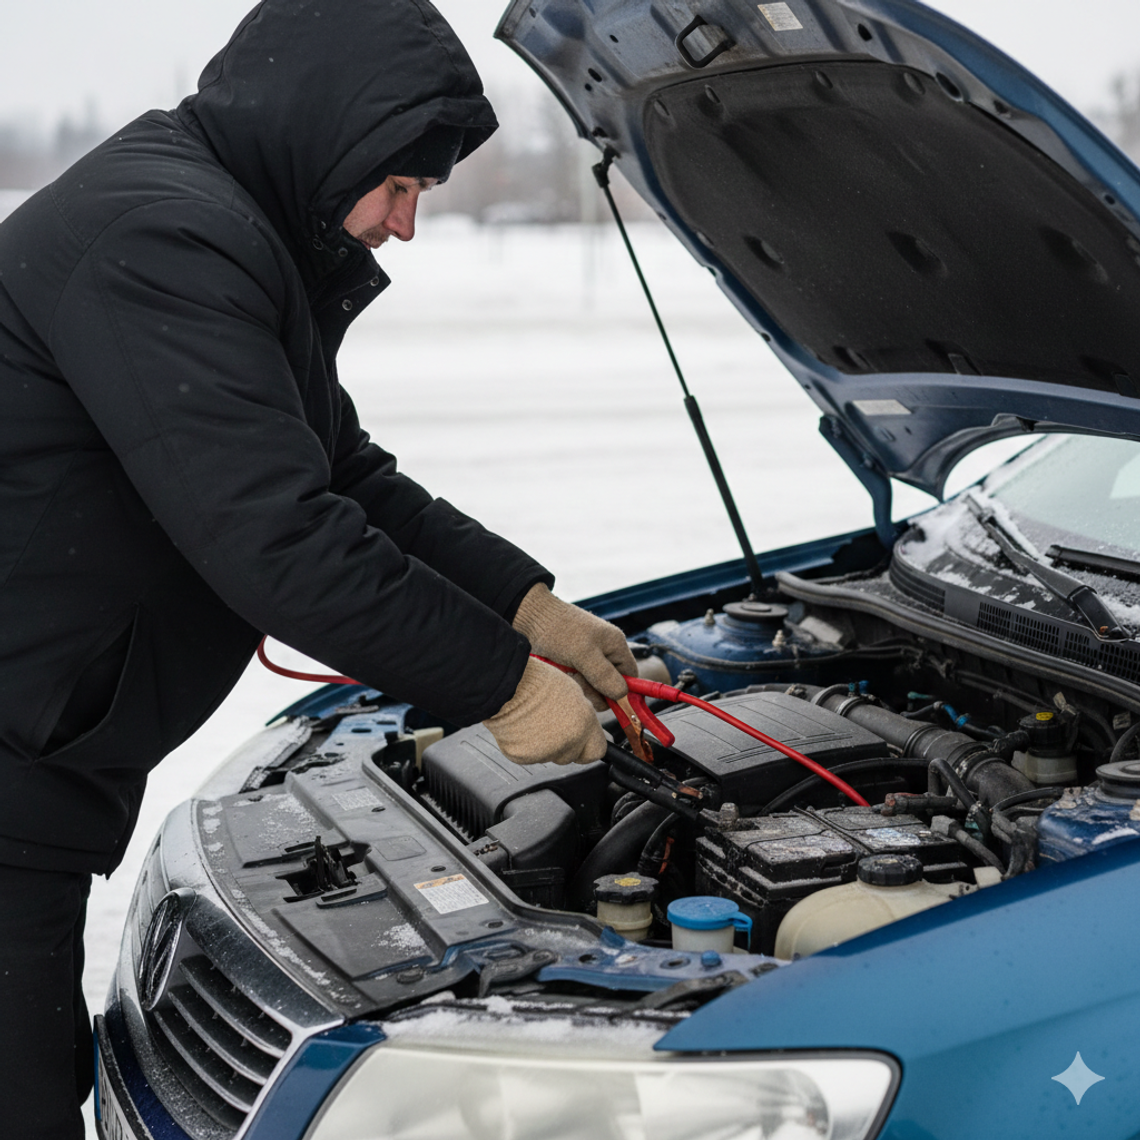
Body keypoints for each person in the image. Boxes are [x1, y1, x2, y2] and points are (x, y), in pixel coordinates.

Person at [0, 1, 636, 1135]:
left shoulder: (229, 229)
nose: (404, 226)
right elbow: (281, 540)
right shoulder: (166, 238)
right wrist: (506, 684)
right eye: (402, 189)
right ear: (332, 135)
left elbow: (343, 473)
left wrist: (524, 603)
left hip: (37, 741)